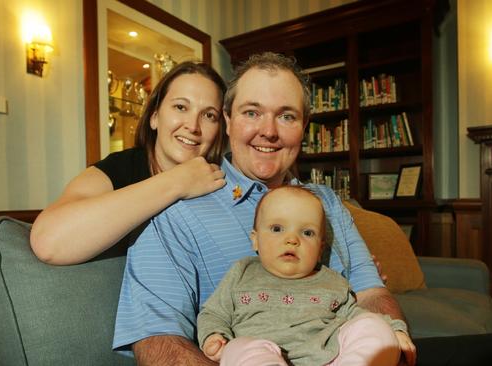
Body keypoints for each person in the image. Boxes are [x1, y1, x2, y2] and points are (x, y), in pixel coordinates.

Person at [113, 52, 416, 365]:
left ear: (304, 127)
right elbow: (157, 339)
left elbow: (372, 294)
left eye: (286, 116)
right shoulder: (174, 214)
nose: (269, 131)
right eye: (252, 113)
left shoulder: (327, 203)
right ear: (228, 120)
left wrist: (394, 336)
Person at [30, 61, 228, 265]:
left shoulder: (223, 180)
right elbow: (49, 243)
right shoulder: (119, 168)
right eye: (180, 107)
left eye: (209, 115)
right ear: (154, 117)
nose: (193, 125)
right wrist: (177, 182)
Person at [198, 186, 405, 366]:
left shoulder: (332, 281)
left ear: (320, 248)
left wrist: (393, 329)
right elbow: (213, 313)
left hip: (328, 358)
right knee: (239, 348)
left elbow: (356, 315)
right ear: (255, 240)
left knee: (373, 327)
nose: (291, 240)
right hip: (258, 351)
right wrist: (214, 335)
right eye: (277, 228)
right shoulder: (242, 272)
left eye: (307, 233)